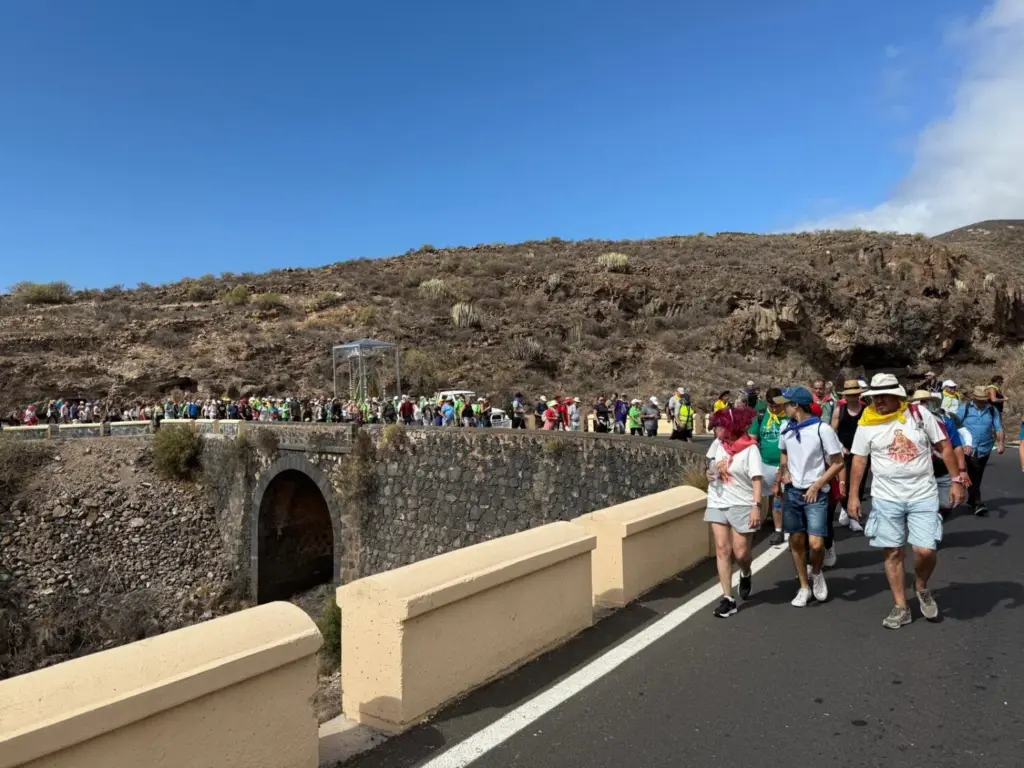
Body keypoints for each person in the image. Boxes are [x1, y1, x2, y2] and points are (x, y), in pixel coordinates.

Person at [848, 374, 965, 628]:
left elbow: (944, 447)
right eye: (873, 397)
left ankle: (920, 585)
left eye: (883, 396)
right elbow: (859, 460)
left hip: (922, 493)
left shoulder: (920, 416)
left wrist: (956, 479)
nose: (877, 401)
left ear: (898, 396)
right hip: (886, 497)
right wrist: (854, 495)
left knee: (926, 550)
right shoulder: (866, 423)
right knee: (893, 552)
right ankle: (901, 606)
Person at [775, 386, 843, 607]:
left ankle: (816, 572)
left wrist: (818, 484)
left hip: (816, 492)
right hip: (793, 491)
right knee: (796, 540)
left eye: (785, 403)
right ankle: (804, 586)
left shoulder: (822, 429)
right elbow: (783, 453)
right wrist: (783, 472)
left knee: (815, 544)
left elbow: (838, 462)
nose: (782, 407)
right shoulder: (786, 427)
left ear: (796, 405)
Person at [705, 407, 763, 618]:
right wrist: (710, 473)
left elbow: (757, 479)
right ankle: (728, 598)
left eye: (719, 426)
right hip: (717, 500)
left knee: (741, 553)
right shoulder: (717, 445)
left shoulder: (750, 449)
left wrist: (756, 506)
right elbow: (709, 467)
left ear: (731, 427)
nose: (716, 431)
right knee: (722, 549)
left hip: (742, 503)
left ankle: (746, 572)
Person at [908, 390, 969, 517]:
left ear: (931, 403)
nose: (922, 405)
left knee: (947, 504)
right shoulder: (907, 423)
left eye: (925, 402)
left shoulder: (945, 420)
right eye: (919, 402)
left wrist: (962, 470)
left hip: (943, 469)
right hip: (920, 472)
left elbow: (956, 446)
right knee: (923, 509)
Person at [956, 385, 1005, 516]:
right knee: (974, 471)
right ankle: (978, 502)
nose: (982, 402)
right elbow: (955, 425)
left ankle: (971, 500)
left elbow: (999, 427)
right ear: (974, 398)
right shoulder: (965, 408)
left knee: (978, 474)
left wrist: (1000, 442)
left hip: (985, 447)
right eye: (980, 399)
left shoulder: (992, 410)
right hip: (968, 448)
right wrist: (961, 443)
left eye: (984, 399)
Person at [749, 387, 788, 545]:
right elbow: (752, 438)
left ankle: (780, 530)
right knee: (766, 496)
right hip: (765, 464)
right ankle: (764, 520)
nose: (774, 409)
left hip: (785, 465)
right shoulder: (761, 416)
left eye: (777, 405)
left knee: (780, 497)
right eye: (771, 406)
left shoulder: (788, 417)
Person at [832, 379, 867, 533]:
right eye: (849, 395)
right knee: (843, 484)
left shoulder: (867, 410)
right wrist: (840, 447)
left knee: (859, 483)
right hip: (844, 451)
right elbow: (831, 432)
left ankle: (852, 513)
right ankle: (848, 511)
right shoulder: (839, 410)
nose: (852, 397)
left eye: (855, 394)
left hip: (862, 452)